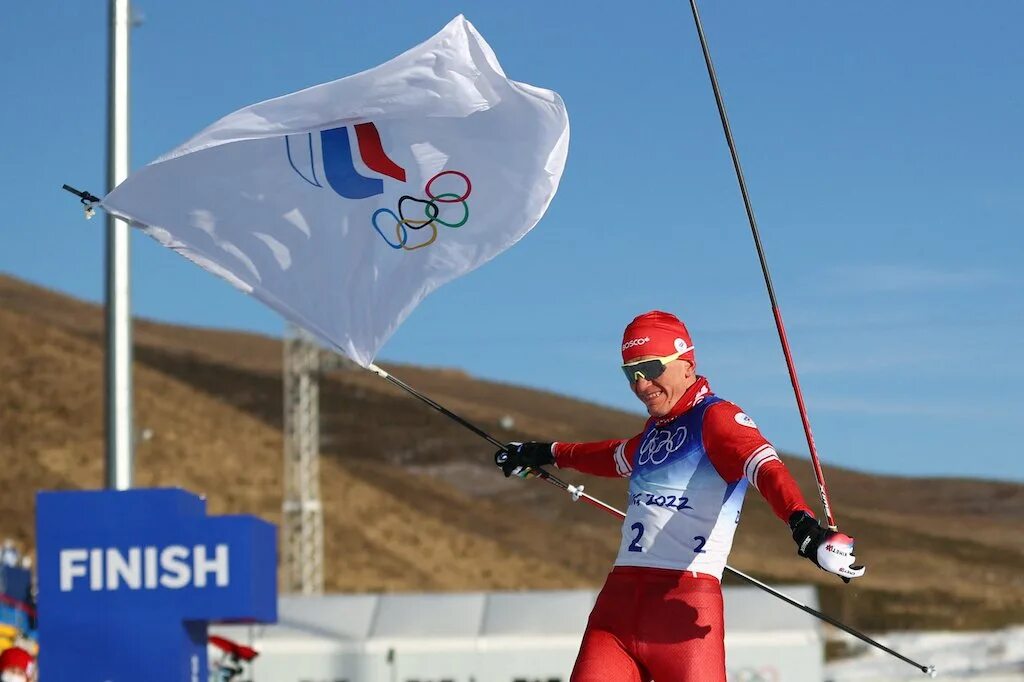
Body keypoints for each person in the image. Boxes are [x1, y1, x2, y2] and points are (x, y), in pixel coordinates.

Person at [495, 310, 864, 681]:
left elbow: (765, 467)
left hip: (683, 611)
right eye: (630, 373)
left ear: (687, 363)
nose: (641, 384)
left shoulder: (717, 418)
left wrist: (803, 525)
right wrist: (545, 452)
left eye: (651, 368)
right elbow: (613, 455)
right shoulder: (657, 431)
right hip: (617, 610)